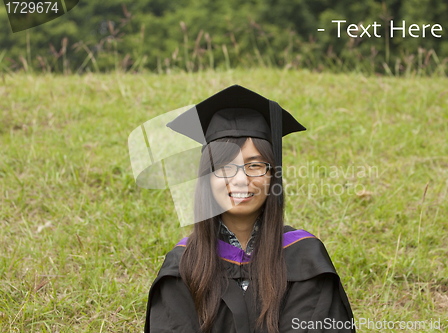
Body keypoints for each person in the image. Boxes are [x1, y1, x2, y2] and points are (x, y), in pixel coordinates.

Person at [141, 85, 355, 332]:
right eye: (225, 167)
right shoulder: (182, 267)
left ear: (273, 175)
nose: (241, 180)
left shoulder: (305, 259)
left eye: (255, 166)